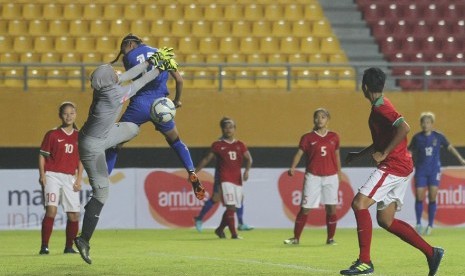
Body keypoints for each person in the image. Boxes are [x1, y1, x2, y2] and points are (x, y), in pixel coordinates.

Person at [74, 50, 203, 265]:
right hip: (92, 146)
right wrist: (160, 68)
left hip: (100, 136)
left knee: (133, 128)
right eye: (112, 72)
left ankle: (102, 177)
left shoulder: (106, 87)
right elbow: (139, 83)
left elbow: (127, 76)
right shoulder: (113, 95)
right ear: (108, 80)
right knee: (102, 193)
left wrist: (151, 61)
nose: (116, 72)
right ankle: (84, 239)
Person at [340, 67, 444, 276]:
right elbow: (383, 140)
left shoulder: (381, 108)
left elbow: (404, 127)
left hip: (394, 165)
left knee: (359, 204)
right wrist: (359, 155)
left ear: (365, 87)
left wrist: (384, 153)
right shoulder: (379, 106)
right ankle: (432, 252)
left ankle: (365, 262)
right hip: (401, 166)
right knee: (386, 220)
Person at [105, 34, 200, 188]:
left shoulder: (128, 57)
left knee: (115, 145)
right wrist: (176, 100)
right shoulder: (162, 53)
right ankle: (191, 170)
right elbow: (180, 80)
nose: (123, 52)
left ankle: (103, 181)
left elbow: (135, 75)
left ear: (130, 44)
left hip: (139, 104)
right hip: (161, 105)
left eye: (123, 48)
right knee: (175, 141)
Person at [283, 108, 341, 246]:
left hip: (331, 177)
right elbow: (299, 153)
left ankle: (330, 238)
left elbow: (337, 155)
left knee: (331, 208)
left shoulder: (334, 137)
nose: (319, 119)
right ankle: (296, 238)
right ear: (313, 119)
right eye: (317, 117)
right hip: (313, 176)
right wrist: (292, 167)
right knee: (305, 208)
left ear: (328, 120)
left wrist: (339, 172)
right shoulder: (307, 138)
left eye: (323, 117)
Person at [195, 117, 253, 239]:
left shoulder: (240, 144)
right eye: (226, 127)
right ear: (222, 129)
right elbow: (206, 159)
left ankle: (220, 229)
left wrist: (247, 171)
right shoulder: (217, 145)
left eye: (231, 127)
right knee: (230, 206)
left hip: (237, 180)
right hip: (224, 179)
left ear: (235, 129)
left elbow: (249, 158)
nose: (228, 129)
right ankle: (234, 234)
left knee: (234, 207)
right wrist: (194, 173)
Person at [409, 111, 465, 235]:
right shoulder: (417, 138)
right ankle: (418, 223)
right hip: (421, 170)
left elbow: (450, 148)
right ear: (420, 124)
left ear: (432, 124)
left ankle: (430, 225)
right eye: (423, 122)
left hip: (434, 171)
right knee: (419, 196)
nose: (425, 125)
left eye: (428, 122)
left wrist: (461, 159)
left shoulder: (438, 136)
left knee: (433, 197)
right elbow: (410, 151)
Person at [38, 102, 83, 255]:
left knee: (74, 215)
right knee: (51, 210)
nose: (68, 116)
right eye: (65, 113)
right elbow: (42, 156)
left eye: (71, 113)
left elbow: (80, 160)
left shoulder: (79, 137)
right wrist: (42, 175)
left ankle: (68, 247)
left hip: (70, 177)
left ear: (75, 114)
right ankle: (44, 246)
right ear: (60, 115)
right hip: (52, 175)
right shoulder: (52, 134)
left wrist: (79, 179)